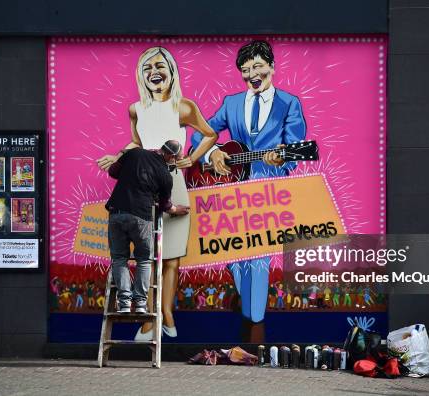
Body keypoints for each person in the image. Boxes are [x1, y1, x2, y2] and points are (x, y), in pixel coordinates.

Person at [97, 47, 217, 339]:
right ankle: (149, 318)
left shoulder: (184, 106)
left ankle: (166, 312)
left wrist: (192, 158)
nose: (154, 71)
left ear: (172, 71)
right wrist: (117, 157)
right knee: (145, 253)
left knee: (172, 256)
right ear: (141, 74)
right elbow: (136, 143)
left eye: (160, 65)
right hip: (141, 184)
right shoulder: (136, 109)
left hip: (173, 180)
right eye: (147, 66)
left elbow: (210, 134)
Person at [190, 40, 306, 342]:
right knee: (233, 257)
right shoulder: (231, 104)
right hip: (230, 193)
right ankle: (248, 313)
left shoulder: (289, 104)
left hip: (266, 193)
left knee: (257, 258)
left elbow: (294, 149)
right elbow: (199, 134)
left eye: (257, 66)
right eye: (245, 70)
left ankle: (255, 329)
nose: (251, 74)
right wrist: (212, 152)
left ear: (271, 67)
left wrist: (281, 159)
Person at [105, 140, 189, 314]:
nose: (175, 163)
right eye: (176, 159)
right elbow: (166, 205)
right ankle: (141, 304)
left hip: (117, 213)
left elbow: (113, 171)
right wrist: (176, 210)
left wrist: (130, 173)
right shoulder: (165, 176)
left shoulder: (135, 153)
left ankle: (124, 305)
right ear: (171, 156)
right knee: (144, 260)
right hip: (141, 217)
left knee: (119, 259)